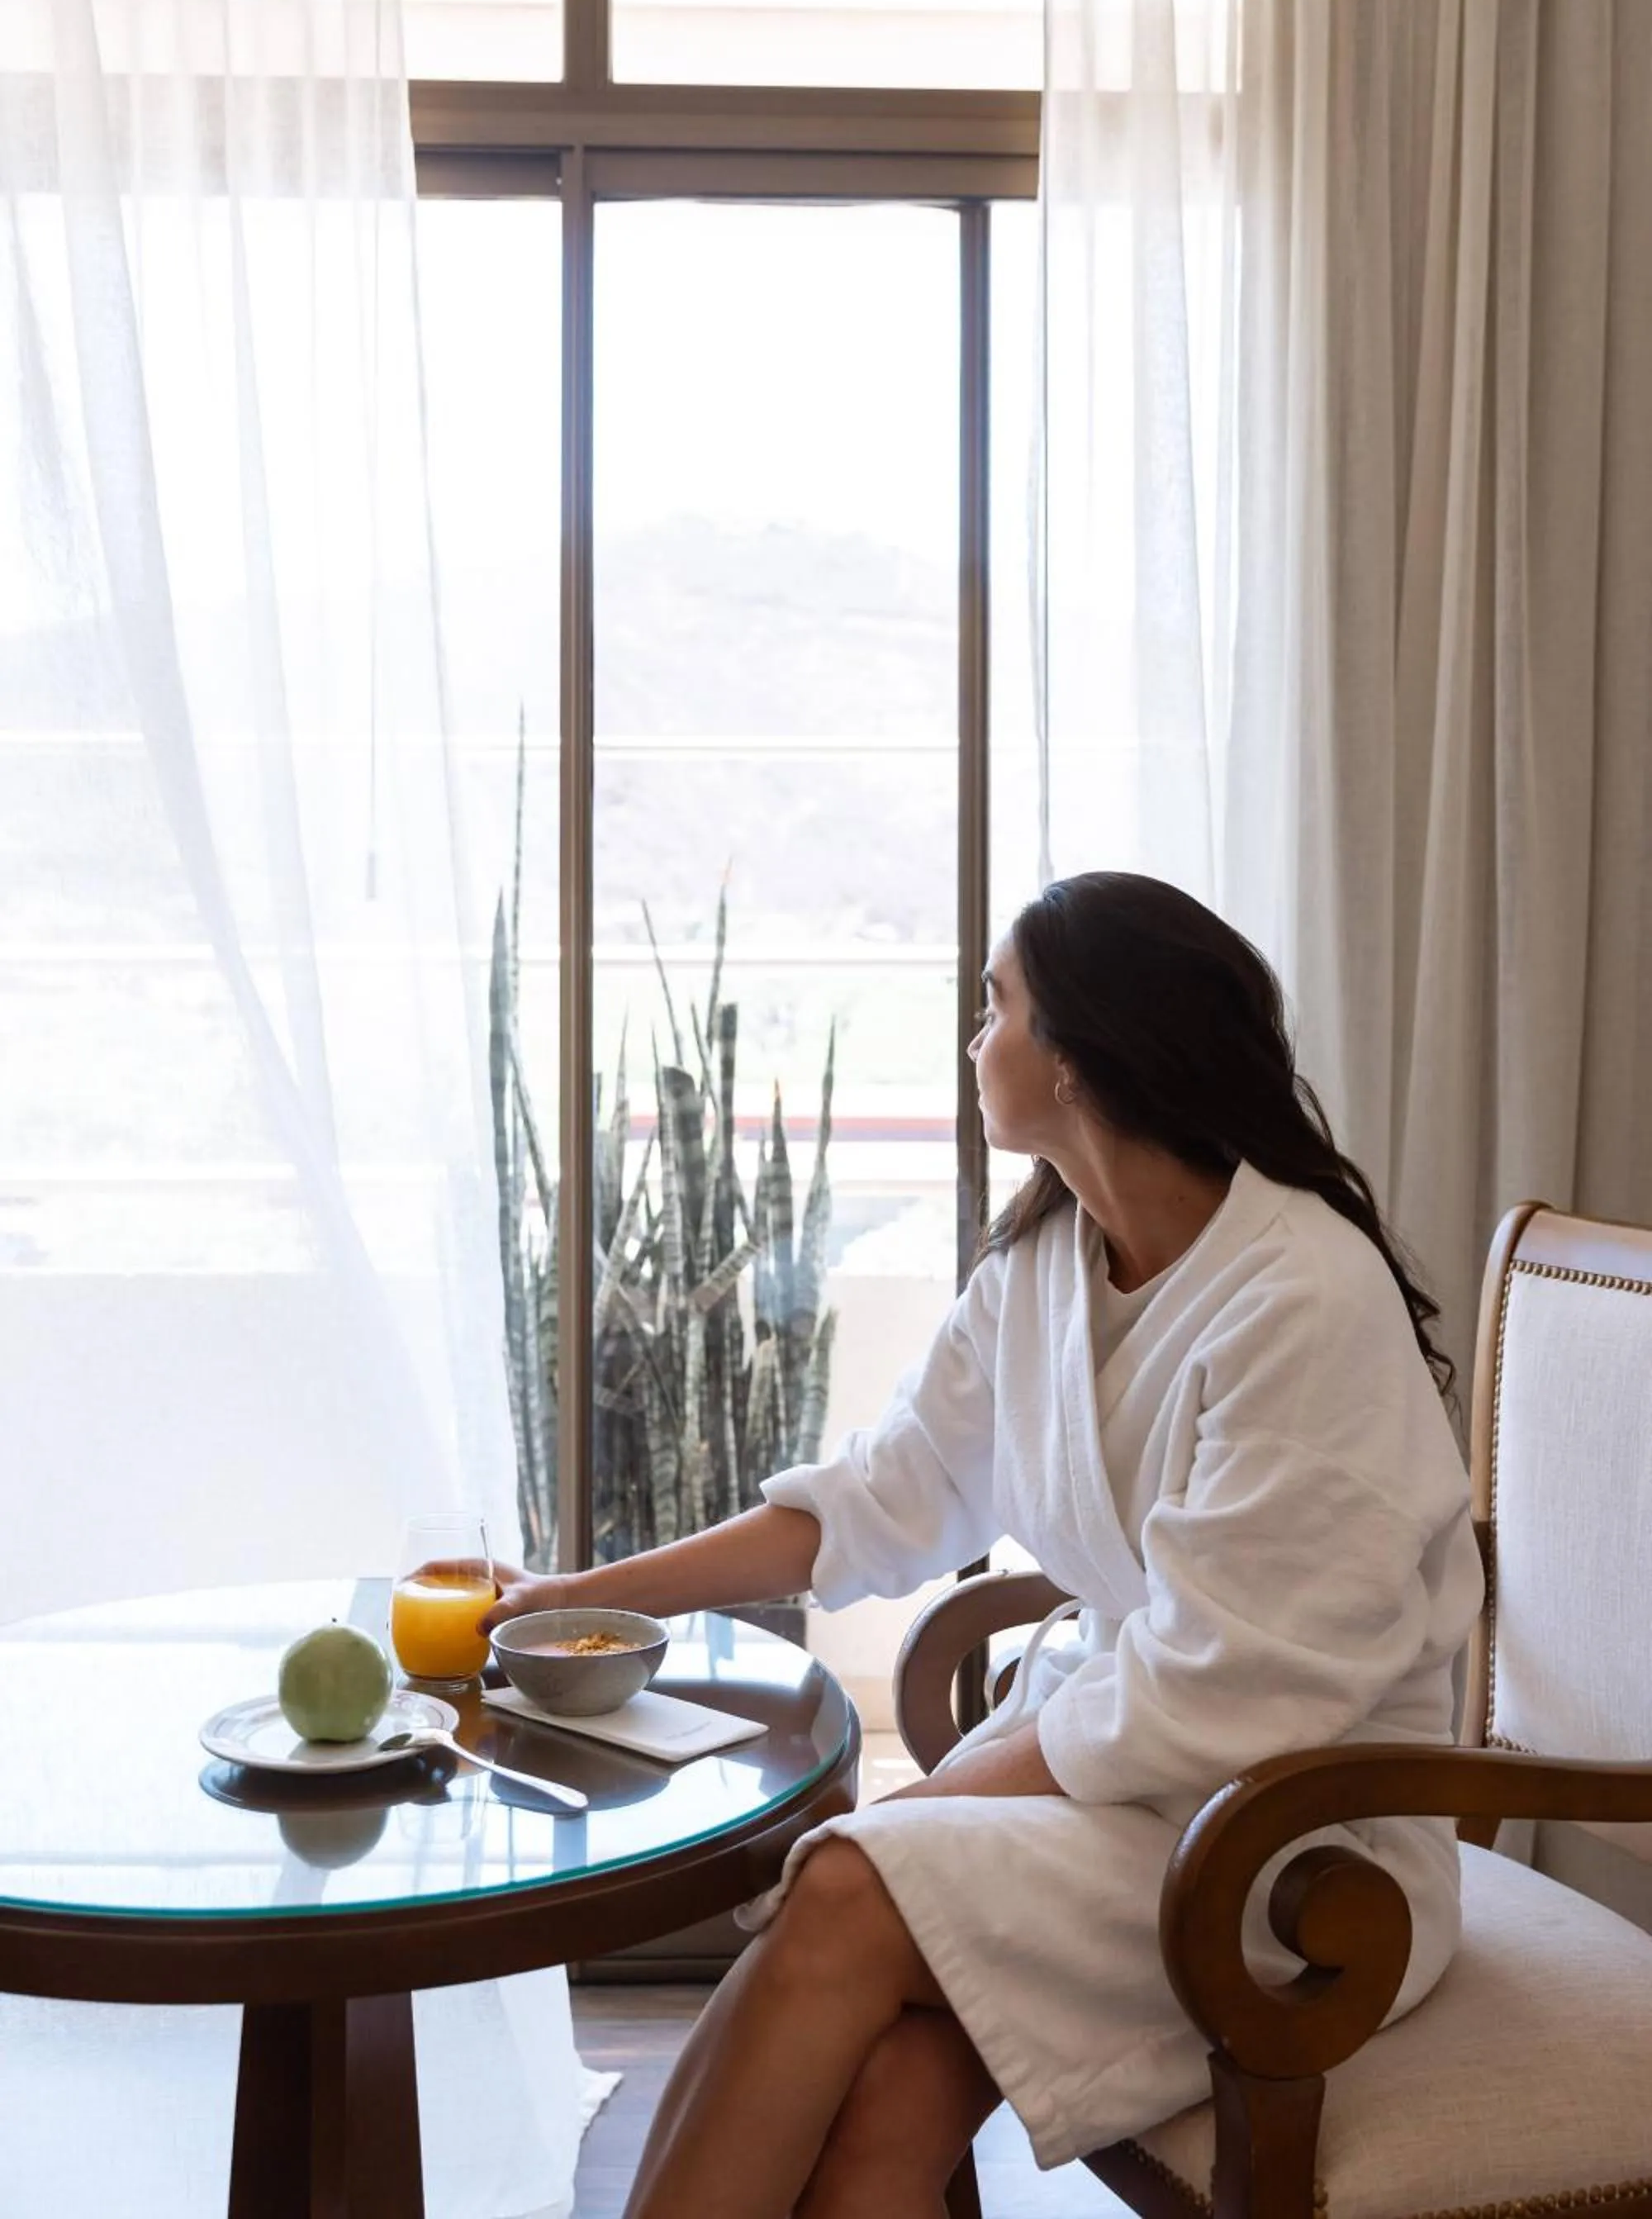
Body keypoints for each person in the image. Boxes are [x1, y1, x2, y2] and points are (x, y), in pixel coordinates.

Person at [481, 872, 1483, 2219]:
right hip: (1130, 1792)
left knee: (841, 1885)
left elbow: (1222, 1692)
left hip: (1293, 1845)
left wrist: (931, 1808)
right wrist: (570, 1597)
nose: (974, 1039)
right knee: (894, 2092)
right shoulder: (1046, 1269)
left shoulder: (1299, 1299)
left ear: (1075, 1056)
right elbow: (868, 1501)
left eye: (995, 1004)